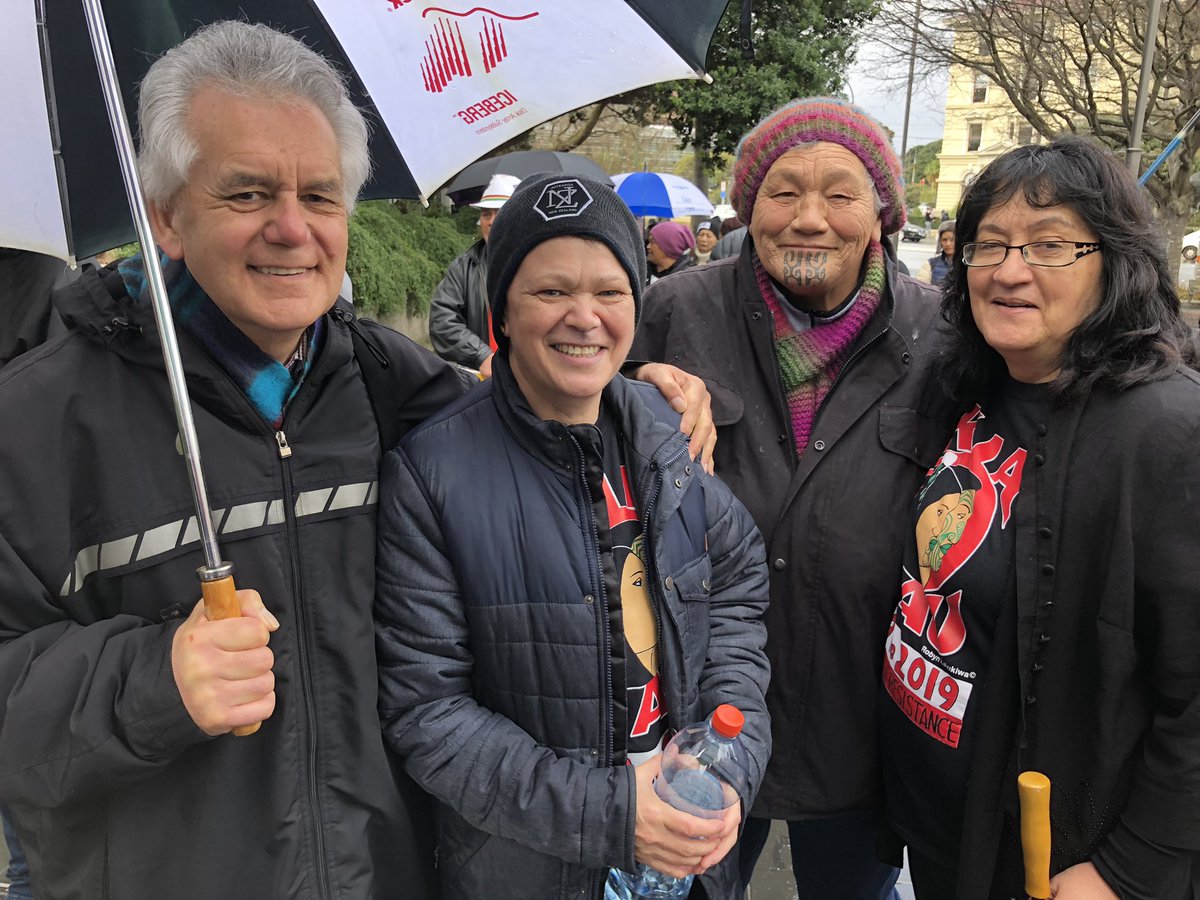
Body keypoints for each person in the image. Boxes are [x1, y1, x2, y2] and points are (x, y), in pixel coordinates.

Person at [0, 21, 715, 900]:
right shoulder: (31, 424)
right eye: (248, 194)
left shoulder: (390, 385)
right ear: (166, 217)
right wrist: (149, 681)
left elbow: (524, 416)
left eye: (321, 195)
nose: (292, 229)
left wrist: (628, 381)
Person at [375, 174, 771, 899]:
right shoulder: (431, 475)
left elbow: (738, 584)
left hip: (686, 852)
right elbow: (428, 713)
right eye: (550, 291)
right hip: (529, 869)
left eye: (610, 292)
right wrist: (616, 816)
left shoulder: (666, 432)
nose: (584, 318)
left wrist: (729, 759)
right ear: (502, 311)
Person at [629, 97, 945, 899]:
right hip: (700, 710)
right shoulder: (678, 309)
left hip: (863, 722)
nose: (810, 219)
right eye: (783, 192)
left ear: (881, 215)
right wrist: (630, 390)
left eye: (840, 194)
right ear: (747, 208)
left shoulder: (943, 335)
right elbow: (578, 427)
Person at [879, 137, 1200, 900]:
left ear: (1116, 262)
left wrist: (1129, 870)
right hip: (938, 823)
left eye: (1049, 245)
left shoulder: (1168, 431)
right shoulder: (966, 384)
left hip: (1053, 861)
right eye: (988, 244)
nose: (1009, 270)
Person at [428, 172, 521, 377]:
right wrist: (482, 355)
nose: (490, 221)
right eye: (486, 214)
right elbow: (442, 322)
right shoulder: (464, 267)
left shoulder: (537, 265)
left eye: (499, 212)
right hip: (484, 381)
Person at [917, 219, 955, 285]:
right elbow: (921, 290)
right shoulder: (930, 264)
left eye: (952, 239)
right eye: (944, 240)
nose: (948, 243)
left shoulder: (968, 264)